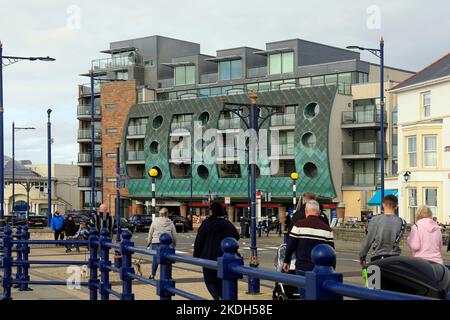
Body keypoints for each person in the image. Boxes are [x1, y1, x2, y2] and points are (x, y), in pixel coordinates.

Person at [283, 200, 335, 299]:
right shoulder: (327, 230)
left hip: (302, 267)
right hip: (320, 270)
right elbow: (331, 251)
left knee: (304, 295)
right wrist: (332, 269)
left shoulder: (298, 225)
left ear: (306, 211)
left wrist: (286, 261)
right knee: (319, 295)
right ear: (319, 212)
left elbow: (291, 245)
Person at [194, 202, 240, 300]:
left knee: (210, 281)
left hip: (208, 257)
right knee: (223, 281)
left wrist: (196, 255)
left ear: (211, 211)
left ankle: (218, 298)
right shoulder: (227, 224)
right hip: (224, 258)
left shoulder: (206, 224)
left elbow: (199, 240)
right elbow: (236, 236)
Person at [359, 195, 406, 265]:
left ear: (383, 205)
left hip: (377, 257)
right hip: (395, 258)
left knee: (376, 276)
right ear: (396, 207)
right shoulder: (402, 222)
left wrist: (362, 256)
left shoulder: (375, 220)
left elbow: (368, 241)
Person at [147, 208, 177, 280]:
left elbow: (150, 232)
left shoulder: (155, 221)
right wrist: (174, 244)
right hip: (167, 243)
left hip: (156, 242)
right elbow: (174, 234)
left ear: (160, 213)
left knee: (155, 258)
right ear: (167, 213)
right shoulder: (170, 222)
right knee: (168, 259)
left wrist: (149, 242)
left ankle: (152, 274)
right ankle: (168, 275)